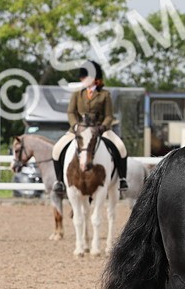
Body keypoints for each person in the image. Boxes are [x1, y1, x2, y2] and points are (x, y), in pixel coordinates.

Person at [52, 60, 128, 195]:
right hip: (79, 129)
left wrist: (102, 128)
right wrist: (75, 126)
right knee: (57, 149)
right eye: (82, 77)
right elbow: (71, 112)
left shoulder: (104, 94)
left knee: (121, 148)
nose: (82, 79)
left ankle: (122, 178)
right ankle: (59, 181)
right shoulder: (77, 94)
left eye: (85, 77)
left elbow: (109, 116)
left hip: (99, 129)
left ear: (94, 78)